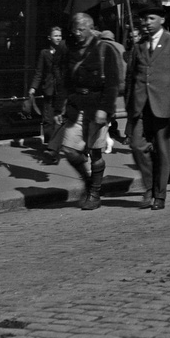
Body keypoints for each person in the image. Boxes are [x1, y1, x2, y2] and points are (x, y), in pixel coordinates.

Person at [50, 13, 122, 211]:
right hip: (76, 105)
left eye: (81, 29)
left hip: (97, 106)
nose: (77, 33)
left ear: (91, 28)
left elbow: (112, 84)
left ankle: (95, 193)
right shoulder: (70, 49)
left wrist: (105, 109)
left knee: (95, 152)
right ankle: (88, 180)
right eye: (75, 29)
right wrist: (59, 106)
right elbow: (64, 80)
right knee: (70, 150)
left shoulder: (104, 49)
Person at [125, 0, 170, 211]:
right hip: (141, 104)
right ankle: (149, 186)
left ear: (162, 20)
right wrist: (129, 105)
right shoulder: (139, 45)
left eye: (152, 18)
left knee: (163, 151)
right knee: (136, 145)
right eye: (144, 19)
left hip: (164, 105)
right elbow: (131, 78)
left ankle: (159, 195)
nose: (147, 22)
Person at [29, 26, 66, 162]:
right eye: (55, 35)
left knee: (59, 121)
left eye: (59, 35)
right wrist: (33, 87)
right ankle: (50, 146)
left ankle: (53, 151)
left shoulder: (64, 51)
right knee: (47, 120)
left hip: (62, 91)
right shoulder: (44, 53)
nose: (58, 38)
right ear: (49, 38)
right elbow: (39, 72)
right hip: (49, 90)